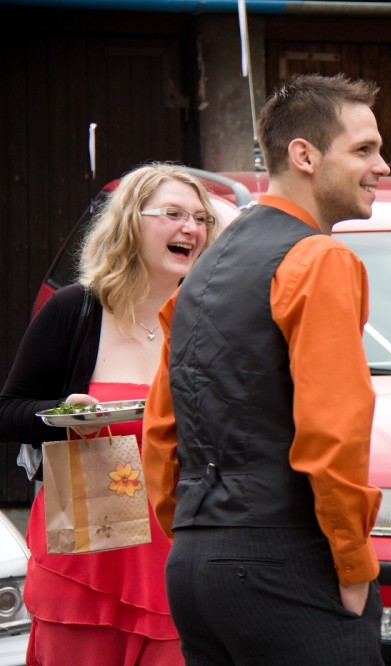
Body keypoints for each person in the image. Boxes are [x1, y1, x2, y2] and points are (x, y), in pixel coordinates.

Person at [141, 73, 389, 665]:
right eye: (364, 149)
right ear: (304, 155)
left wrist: (196, 536)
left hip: (197, 565)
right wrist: (353, 562)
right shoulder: (317, 258)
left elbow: (160, 431)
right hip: (287, 560)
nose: (381, 166)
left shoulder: (204, 268)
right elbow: (333, 431)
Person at [0, 163, 219, 665]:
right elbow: (8, 411)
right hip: (85, 559)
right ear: (129, 223)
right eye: (173, 214)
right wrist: (61, 413)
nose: (191, 227)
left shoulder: (210, 321)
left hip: (181, 561)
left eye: (200, 218)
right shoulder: (76, 310)